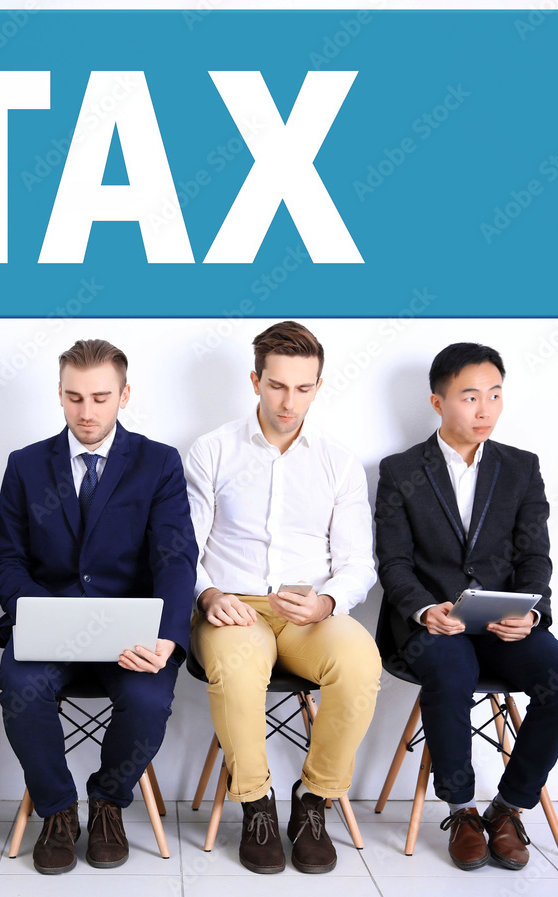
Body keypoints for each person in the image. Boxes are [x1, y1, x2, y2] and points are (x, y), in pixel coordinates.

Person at [375, 342, 558, 871]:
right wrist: (425, 611)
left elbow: (535, 555)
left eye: (494, 395)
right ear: (437, 401)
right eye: (470, 397)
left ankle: (509, 807)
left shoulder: (521, 467)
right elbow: (393, 563)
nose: (485, 409)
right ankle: (461, 809)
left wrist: (531, 613)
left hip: (505, 626)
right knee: (451, 670)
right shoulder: (400, 471)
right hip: (432, 625)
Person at [0, 338, 196, 874]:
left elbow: (176, 560)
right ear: (59, 395)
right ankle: (58, 810)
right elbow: (6, 562)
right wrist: (40, 615)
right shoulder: (25, 465)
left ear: (124, 395)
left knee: (149, 700)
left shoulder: (159, 463)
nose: (87, 412)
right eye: (74, 397)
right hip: (47, 625)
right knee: (19, 689)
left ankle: (108, 800)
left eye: (100, 397)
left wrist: (168, 639)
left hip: (130, 632)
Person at [185, 320, 381, 875]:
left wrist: (326, 603)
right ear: (255, 381)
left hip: (309, 609)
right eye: (277, 386)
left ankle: (313, 801)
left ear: (318, 386)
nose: (288, 400)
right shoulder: (211, 450)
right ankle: (256, 806)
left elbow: (356, 564)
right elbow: (184, 549)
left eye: (302, 387)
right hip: (234, 605)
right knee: (240, 671)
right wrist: (207, 594)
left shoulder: (339, 462)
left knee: (361, 663)